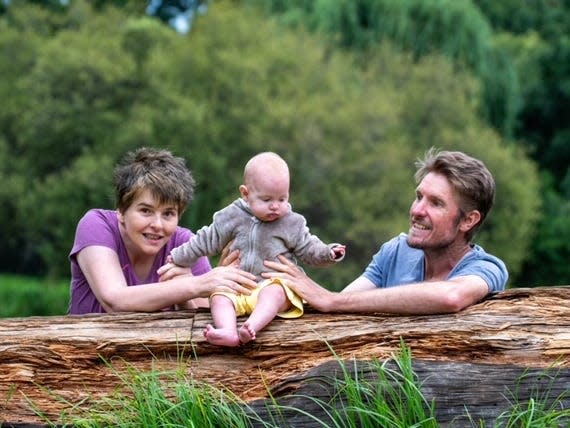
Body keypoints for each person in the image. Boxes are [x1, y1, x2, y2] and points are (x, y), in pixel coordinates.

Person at [262, 148, 509, 315]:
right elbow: (339, 307)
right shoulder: (396, 252)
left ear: (468, 220)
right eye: (419, 197)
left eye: (436, 203)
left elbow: (451, 296)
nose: (417, 210)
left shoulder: (487, 268)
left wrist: (332, 300)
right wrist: (233, 282)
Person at [158, 152, 346, 346]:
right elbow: (206, 240)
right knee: (219, 295)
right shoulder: (232, 215)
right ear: (245, 194)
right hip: (238, 287)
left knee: (276, 292)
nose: (275, 206)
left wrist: (328, 253)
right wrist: (178, 257)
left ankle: (251, 326)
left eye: (282, 199)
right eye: (266, 200)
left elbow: (309, 248)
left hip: (271, 283)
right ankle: (228, 331)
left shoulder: (292, 223)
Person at [68, 147, 257, 315]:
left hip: (158, 354)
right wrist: (196, 284)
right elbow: (114, 300)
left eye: (168, 213)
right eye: (145, 211)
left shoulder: (185, 243)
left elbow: (203, 321)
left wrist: (189, 295)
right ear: (121, 211)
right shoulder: (96, 225)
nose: (158, 224)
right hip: (85, 352)